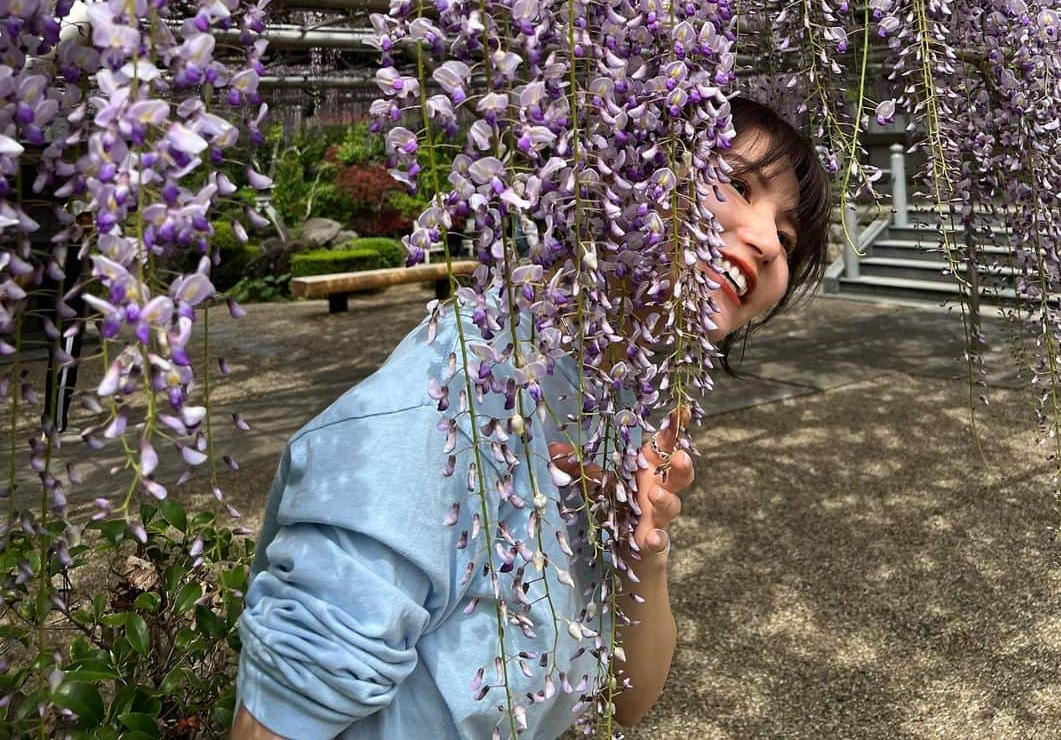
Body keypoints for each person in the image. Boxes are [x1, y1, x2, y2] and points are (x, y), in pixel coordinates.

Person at [230, 96, 831, 739]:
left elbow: (624, 702)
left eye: (788, 240)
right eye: (737, 184)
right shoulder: (447, 395)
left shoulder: (618, 404)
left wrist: (644, 550)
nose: (768, 244)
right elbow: (282, 718)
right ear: (625, 171)